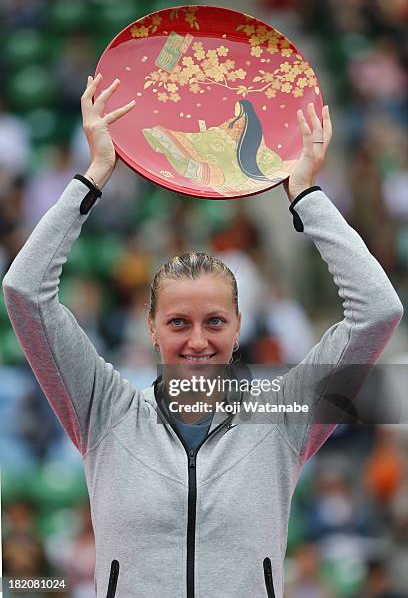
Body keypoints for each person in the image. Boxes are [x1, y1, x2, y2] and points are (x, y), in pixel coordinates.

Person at [2, 73, 403, 598]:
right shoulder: (103, 410)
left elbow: (377, 311)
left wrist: (306, 196)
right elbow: (25, 291)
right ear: (150, 328)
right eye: (178, 323)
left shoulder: (282, 417)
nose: (197, 341)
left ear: (238, 327)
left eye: (215, 321)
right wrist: (94, 176)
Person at [142, 98, 297, 196]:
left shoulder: (246, 123)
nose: (235, 111)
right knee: (200, 144)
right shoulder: (240, 122)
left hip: (230, 156)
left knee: (204, 148)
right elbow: (221, 131)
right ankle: (170, 143)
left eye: (238, 108)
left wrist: (215, 135)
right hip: (227, 151)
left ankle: (183, 154)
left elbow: (225, 135)